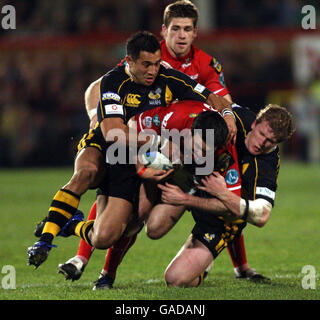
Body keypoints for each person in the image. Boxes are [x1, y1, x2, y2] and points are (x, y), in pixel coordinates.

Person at [56, 0, 260, 287]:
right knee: (129, 210)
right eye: (175, 28)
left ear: (195, 33)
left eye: (187, 29)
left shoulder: (206, 64)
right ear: (164, 30)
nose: (181, 35)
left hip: (191, 146)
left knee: (221, 192)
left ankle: (241, 265)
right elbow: (98, 88)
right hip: (144, 141)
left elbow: (222, 99)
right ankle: (92, 264)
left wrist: (226, 114)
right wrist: (96, 116)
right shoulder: (148, 54)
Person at [27, 31, 235, 269]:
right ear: (129, 61)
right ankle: (44, 241)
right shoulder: (113, 82)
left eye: (156, 64)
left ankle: (70, 225)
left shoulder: (168, 77)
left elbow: (214, 97)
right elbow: (114, 134)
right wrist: (158, 143)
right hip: (105, 145)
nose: (152, 70)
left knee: (105, 237)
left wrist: (227, 115)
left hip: (130, 159)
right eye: (146, 64)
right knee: (85, 173)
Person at [157, 103, 295, 287]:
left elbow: (262, 215)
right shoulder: (235, 119)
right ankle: (108, 273)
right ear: (254, 123)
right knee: (154, 227)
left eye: (270, 141)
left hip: (221, 217)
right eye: (262, 134)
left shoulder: (265, 166)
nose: (262, 143)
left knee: (175, 280)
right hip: (196, 181)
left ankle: (205, 266)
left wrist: (220, 194)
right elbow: (214, 99)